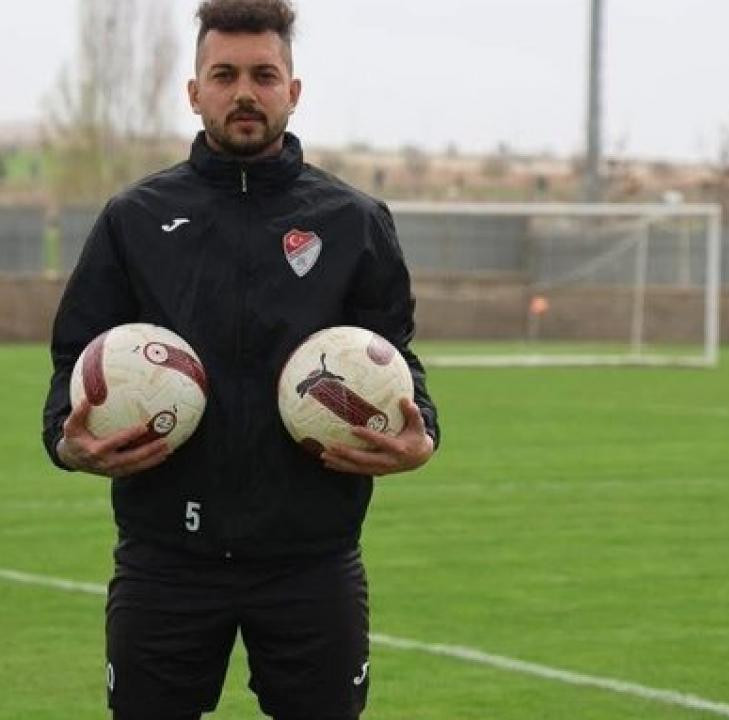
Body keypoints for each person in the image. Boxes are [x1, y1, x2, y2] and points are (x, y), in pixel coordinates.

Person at [41, 1, 440, 717]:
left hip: (311, 560)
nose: (245, 93)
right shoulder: (135, 218)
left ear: (294, 90)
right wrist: (66, 445)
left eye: (264, 75)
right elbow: (78, 354)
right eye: (224, 75)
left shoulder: (354, 222)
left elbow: (391, 356)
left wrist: (423, 434)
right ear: (195, 92)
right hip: (166, 560)